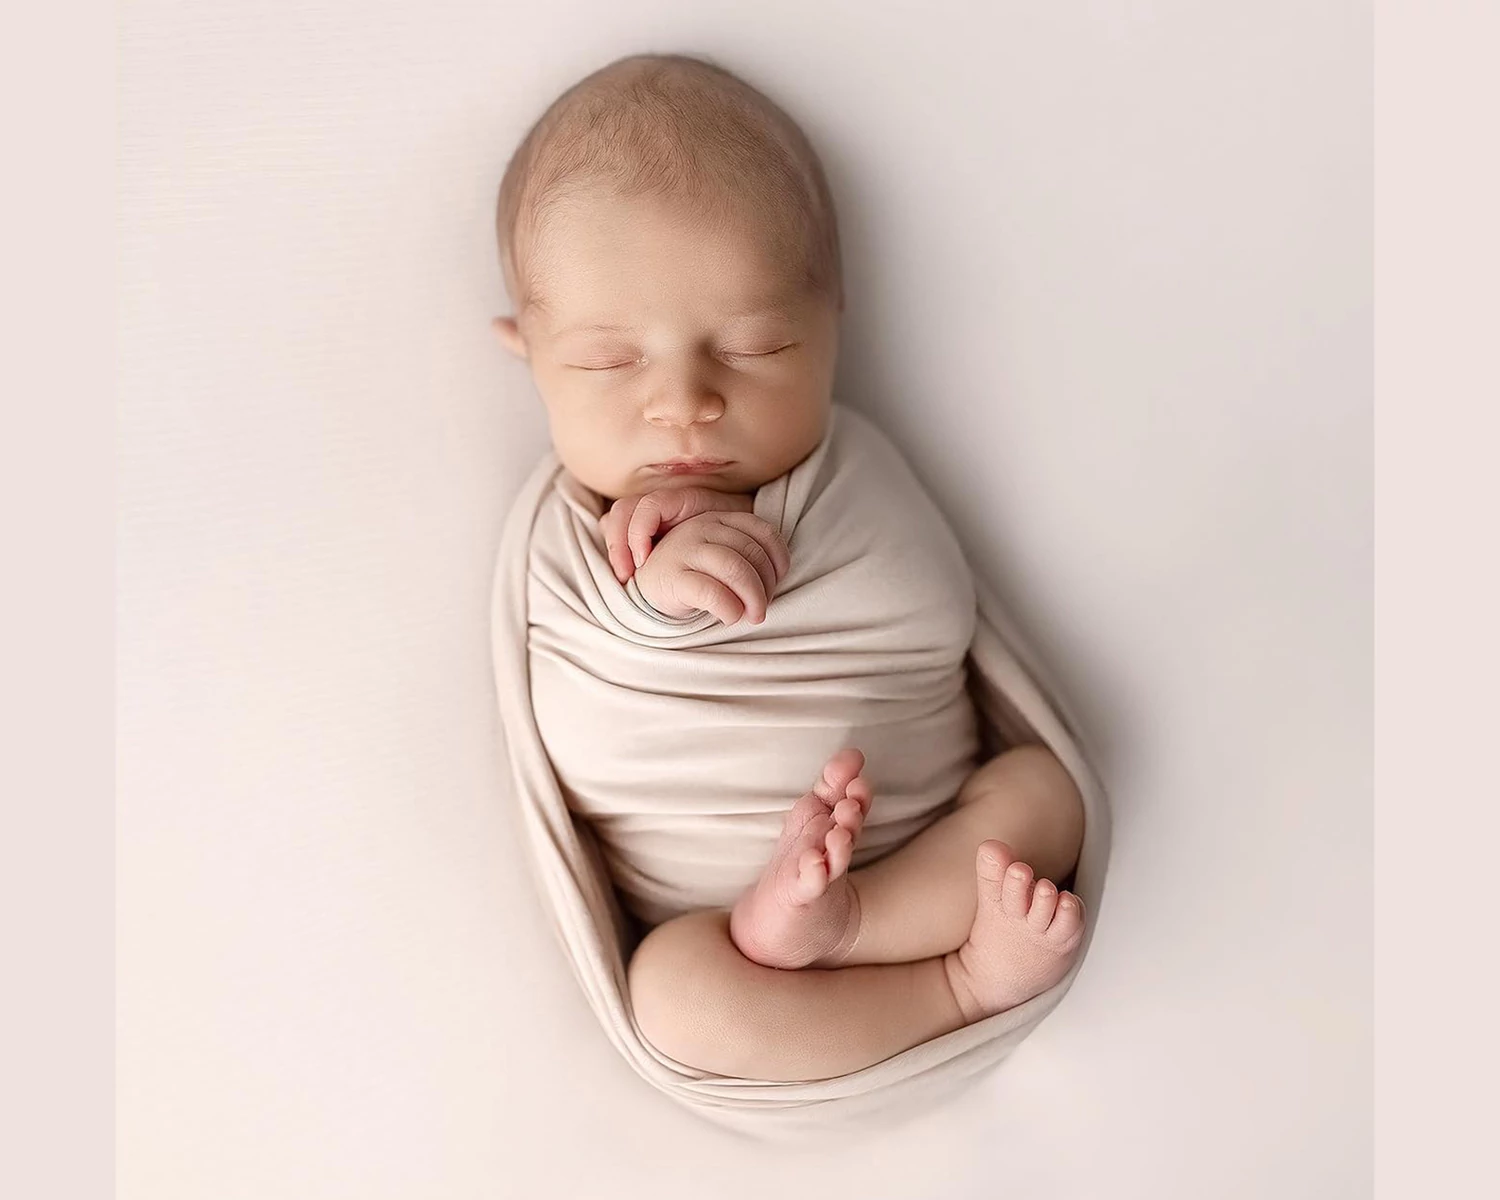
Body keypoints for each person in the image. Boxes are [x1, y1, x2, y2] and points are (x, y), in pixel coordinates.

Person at [491, 52, 1085, 1082]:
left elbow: (926, 616)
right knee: (671, 997)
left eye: (758, 346)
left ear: (831, 324)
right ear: (527, 355)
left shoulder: (857, 474)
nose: (684, 402)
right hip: (722, 928)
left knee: (1046, 791)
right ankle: (953, 988)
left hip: (920, 856)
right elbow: (581, 710)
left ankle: (860, 927)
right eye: (607, 361)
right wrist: (652, 599)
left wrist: (750, 530)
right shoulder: (558, 543)